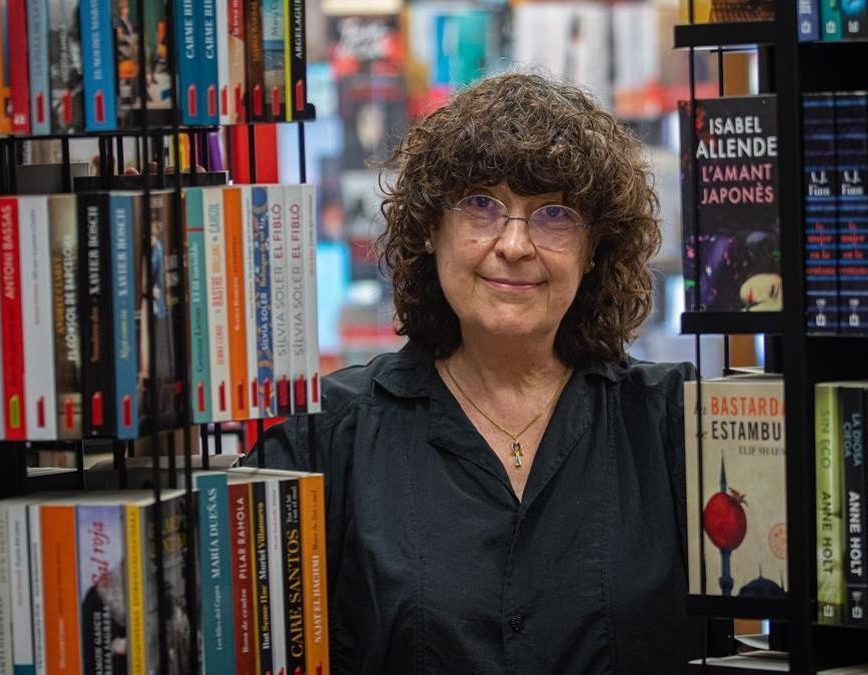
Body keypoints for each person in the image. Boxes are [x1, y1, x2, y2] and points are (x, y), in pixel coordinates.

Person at [257, 71, 694, 673]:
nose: (514, 244)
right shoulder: (328, 439)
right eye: (482, 205)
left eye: (554, 214)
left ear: (595, 250)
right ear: (431, 230)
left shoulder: (676, 425)